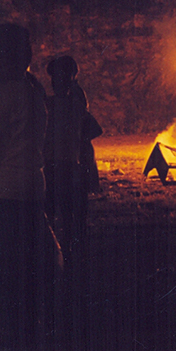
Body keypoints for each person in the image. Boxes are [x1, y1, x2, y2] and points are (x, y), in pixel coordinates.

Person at [0, 23, 56, 348]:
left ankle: (1, 332)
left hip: (2, 190)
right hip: (32, 186)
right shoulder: (34, 90)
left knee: (0, 265)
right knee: (29, 264)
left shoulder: (2, 92)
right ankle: (31, 328)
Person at [44, 55, 100, 254]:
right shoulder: (74, 103)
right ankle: (73, 248)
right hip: (67, 163)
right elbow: (92, 130)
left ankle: (61, 249)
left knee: (56, 209)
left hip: (57, 163)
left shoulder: (49, 105)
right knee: (70, 212)